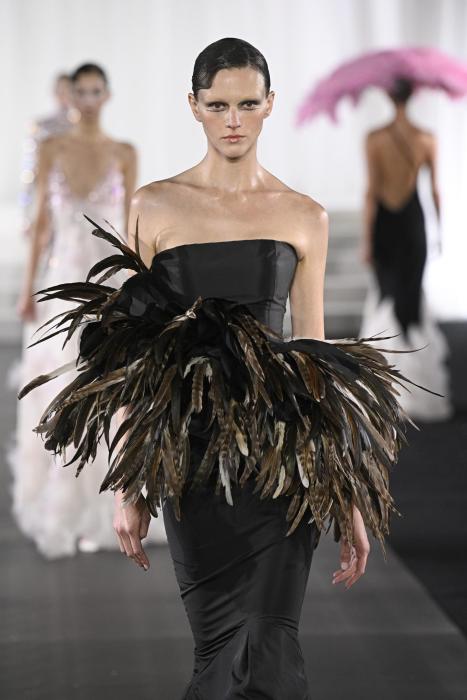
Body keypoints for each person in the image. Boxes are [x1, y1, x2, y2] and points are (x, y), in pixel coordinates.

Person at [17, 40, 414, 697]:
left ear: (270, 105)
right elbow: (136, 349)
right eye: (219, 105)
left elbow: (313, 356)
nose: (234, 120)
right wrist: (127, 481)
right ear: (194, 106)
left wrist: (346, 489)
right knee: (218, 650)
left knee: (269, 642)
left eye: (248, 104)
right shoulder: (154, 205)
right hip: (191, 452)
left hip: (282, 453)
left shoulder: (303, 215)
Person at [10, 62, 164, 558]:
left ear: (108, 95)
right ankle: (64, 508)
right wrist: (28, 287)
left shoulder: (124, 152)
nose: (90, 99)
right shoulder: (51, 148)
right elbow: (41, 223)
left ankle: (113, 506)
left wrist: (144, 281)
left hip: (109, 283)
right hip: (61, 280)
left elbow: (133, 225)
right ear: (70, 96)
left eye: (98, 90)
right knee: (61, 385)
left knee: (111, 385)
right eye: (82, 91)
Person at [360, 77, 452, 421]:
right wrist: (440, 231)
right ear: (413, 95)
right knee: (410, 301)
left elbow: (371, 193)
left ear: (387, 94)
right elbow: (436, 190)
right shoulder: (426, 138)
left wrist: (366, 240)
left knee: (388, 297)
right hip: (413, 224)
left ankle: (389, 389)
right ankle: (418, 389)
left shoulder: (374, 139)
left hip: (385, 225)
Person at [20, 72, 76, 239]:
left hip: (73, 200)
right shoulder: (41, 126)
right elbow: (30, 172)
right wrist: (26, 216)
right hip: (46, 197)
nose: (63, 95)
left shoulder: (82, 128)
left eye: (68, 90)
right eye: (60, 90)